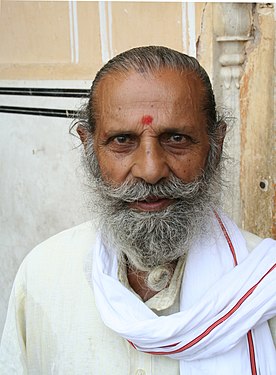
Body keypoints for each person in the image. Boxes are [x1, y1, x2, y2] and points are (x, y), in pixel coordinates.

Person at [0, 46, 275, 375]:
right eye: (121, 140)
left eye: (176, 138)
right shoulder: (42, 275)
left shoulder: (264, 287)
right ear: (89, 148)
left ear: (215, 148)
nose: (150, 169)